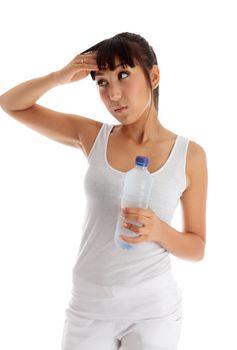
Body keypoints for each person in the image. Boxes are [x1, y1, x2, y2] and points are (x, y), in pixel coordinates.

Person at [0, 32, 208, 350]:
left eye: (123, 75)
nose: (113, 94)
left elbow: (196, 247)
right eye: (101, 82)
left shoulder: (189, 155)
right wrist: (59, 76)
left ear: (153, 76)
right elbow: (11, 104)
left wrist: (158, 230)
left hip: (152, 310)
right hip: (89, 304)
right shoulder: (93, 136)